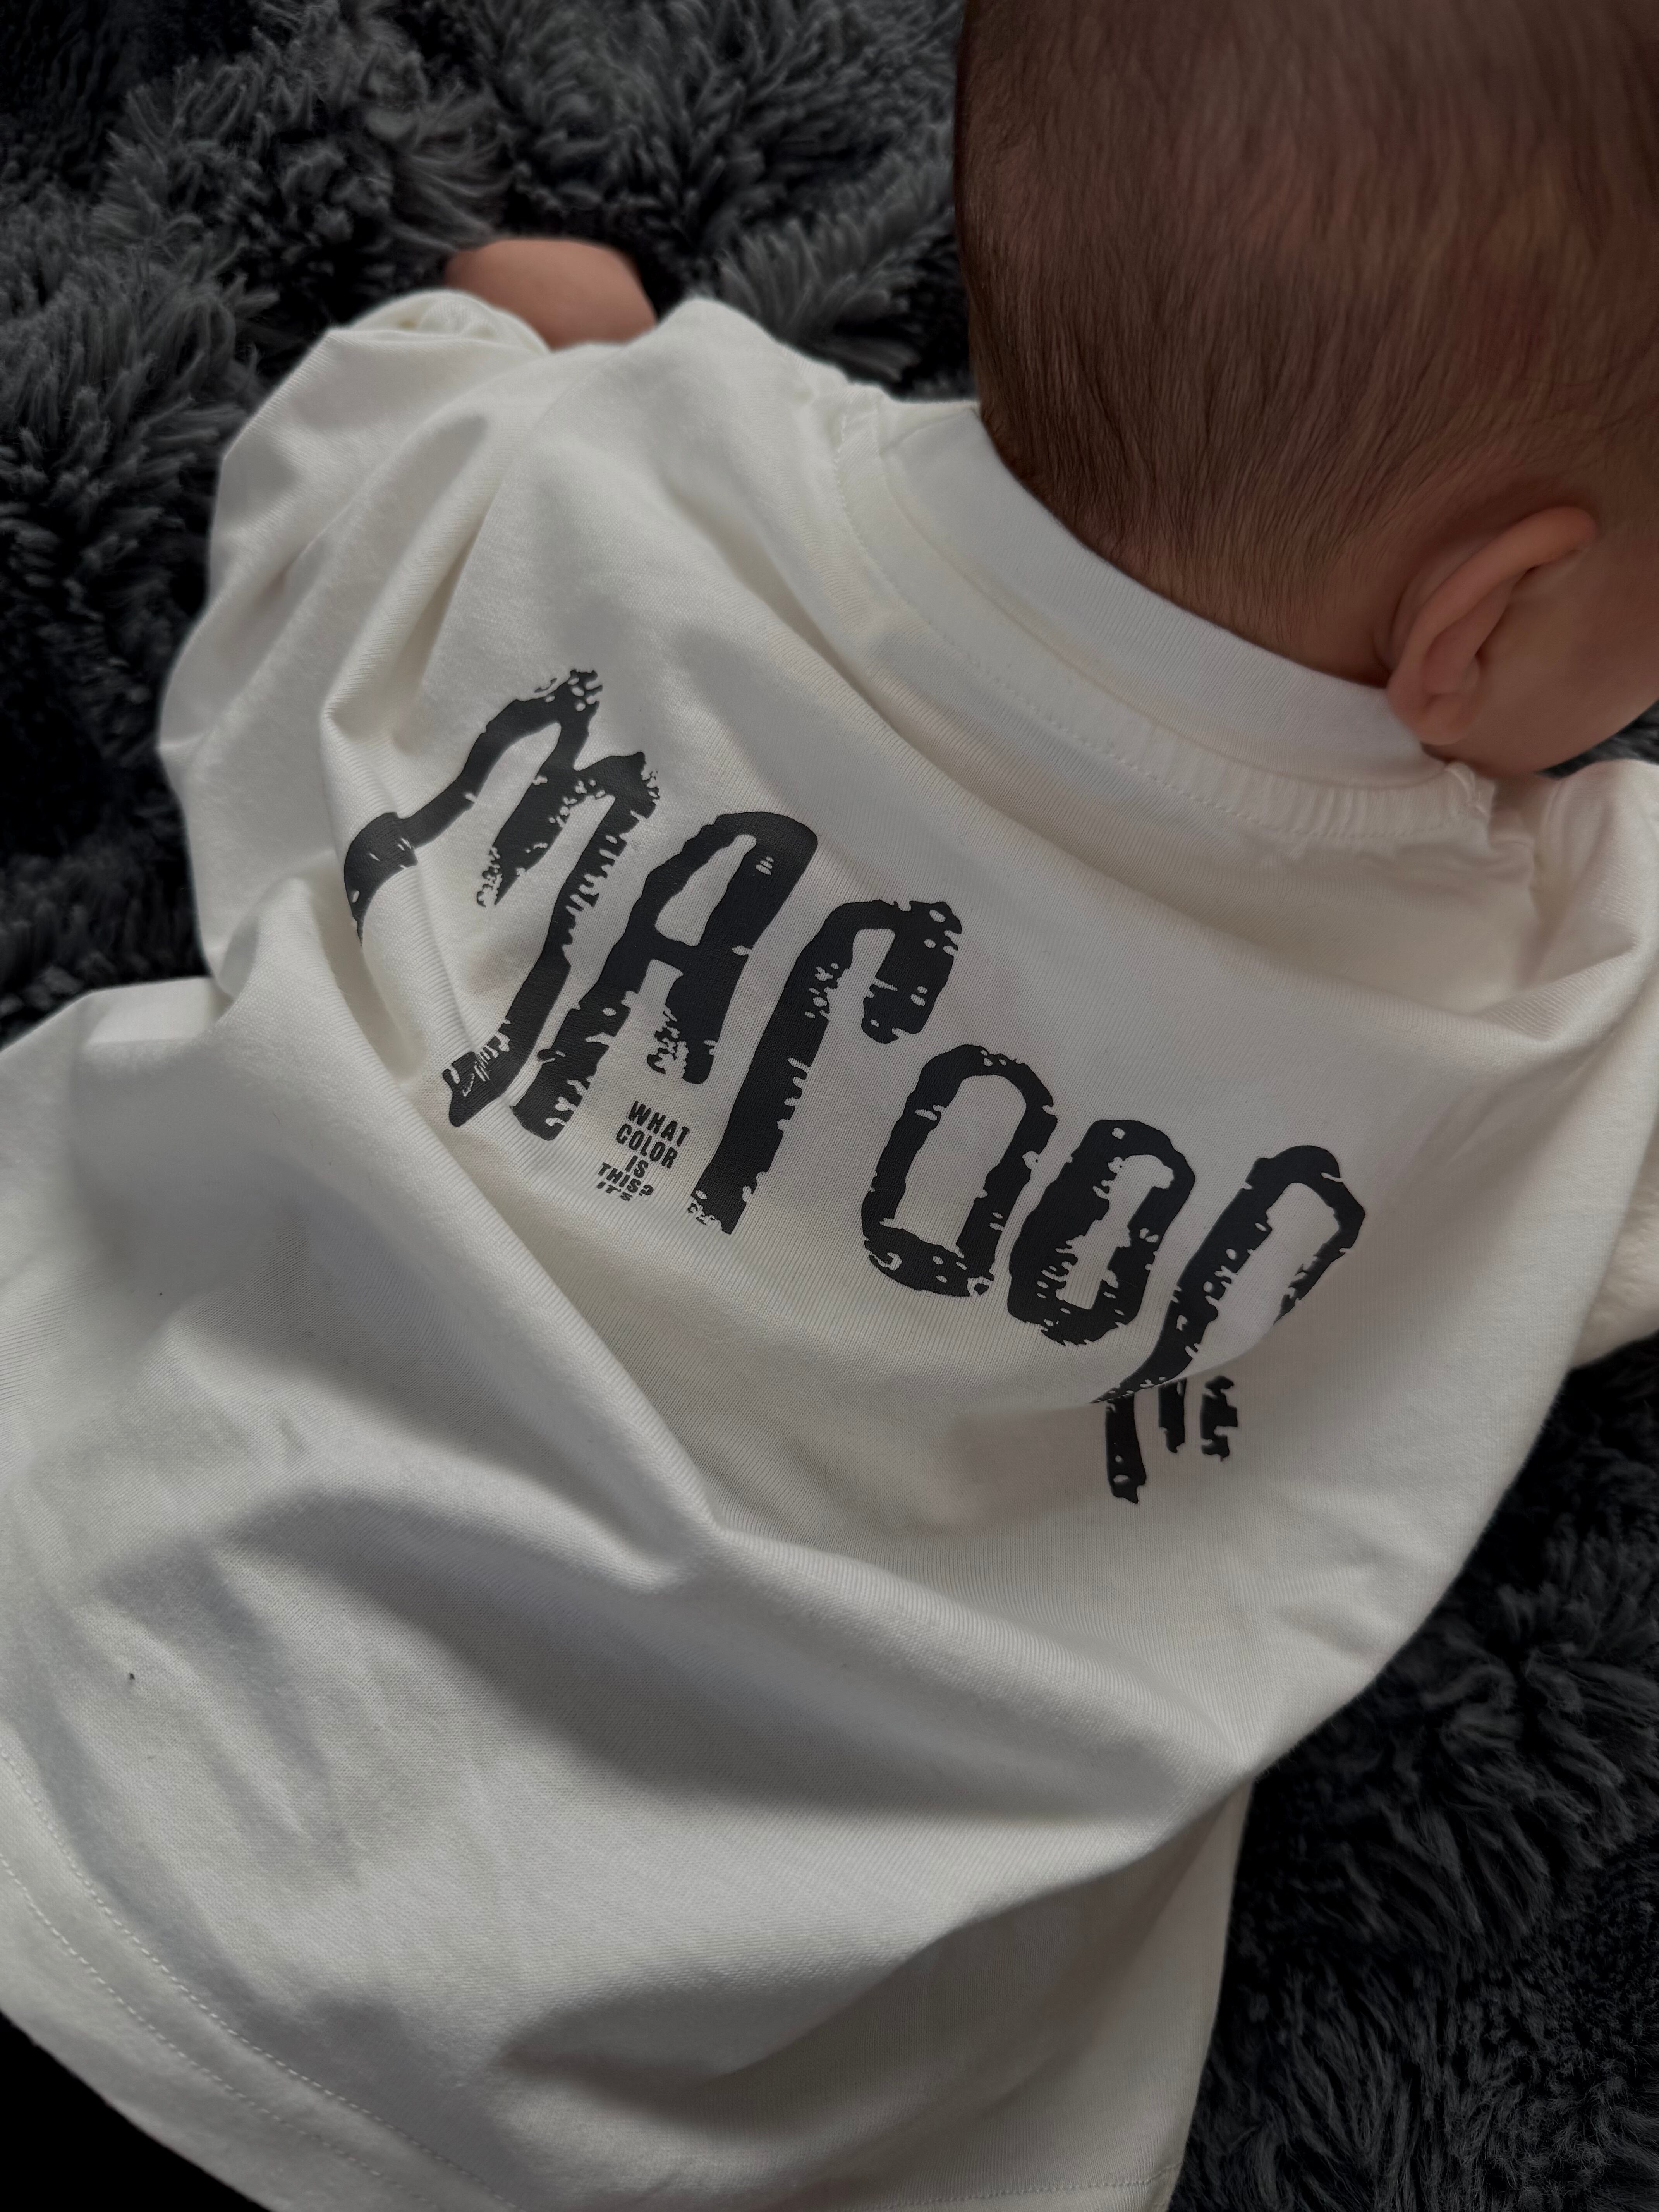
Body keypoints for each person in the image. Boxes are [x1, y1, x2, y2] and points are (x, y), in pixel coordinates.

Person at [3, 3, 1658, 2207]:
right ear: (1496, 612)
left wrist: (522, 327)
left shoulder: (635, 475)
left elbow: (316, 516)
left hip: (80, 1668)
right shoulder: (1544, 984)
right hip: (679, 2121)